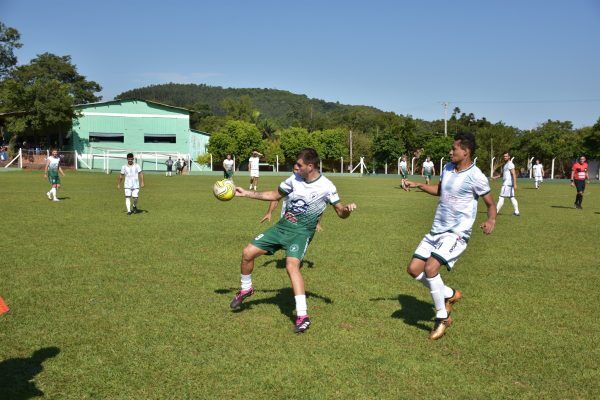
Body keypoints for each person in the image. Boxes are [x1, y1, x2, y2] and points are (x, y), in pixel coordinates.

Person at [231, 148, 357, 333]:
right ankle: (246, 289)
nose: (295, 167)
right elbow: (275, 195)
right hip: (282, 227)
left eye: (299, 165)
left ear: (310, 166)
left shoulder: (327, 186)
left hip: (301, 233)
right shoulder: (294, 179)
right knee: (247, 253)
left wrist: (346, 209)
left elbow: (340, 212)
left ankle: (302, 316)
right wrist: (246, 193)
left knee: (291, 266)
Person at [403, 133, 497, 340]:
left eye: (454, 149)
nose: (450, 152)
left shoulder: (476, 176)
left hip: (457, 233)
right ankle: (449, 294)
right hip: (436, 230)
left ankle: (442, 317)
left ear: (466, 151)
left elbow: (490, 204)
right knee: (413, 269)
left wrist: (491, 220)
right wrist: (418, 185)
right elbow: (439, 190)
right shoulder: (447, 168)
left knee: (430, 268)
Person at [260, 164, 324, 232]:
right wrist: (269, 212)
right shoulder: (289, 184)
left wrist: (317, 223)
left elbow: (318, 206)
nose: (297, 171)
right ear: (292, 170)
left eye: (299, 169)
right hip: (286, 220)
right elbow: (276, 198)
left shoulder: (310, 187)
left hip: (303, 223)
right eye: (296, 169)